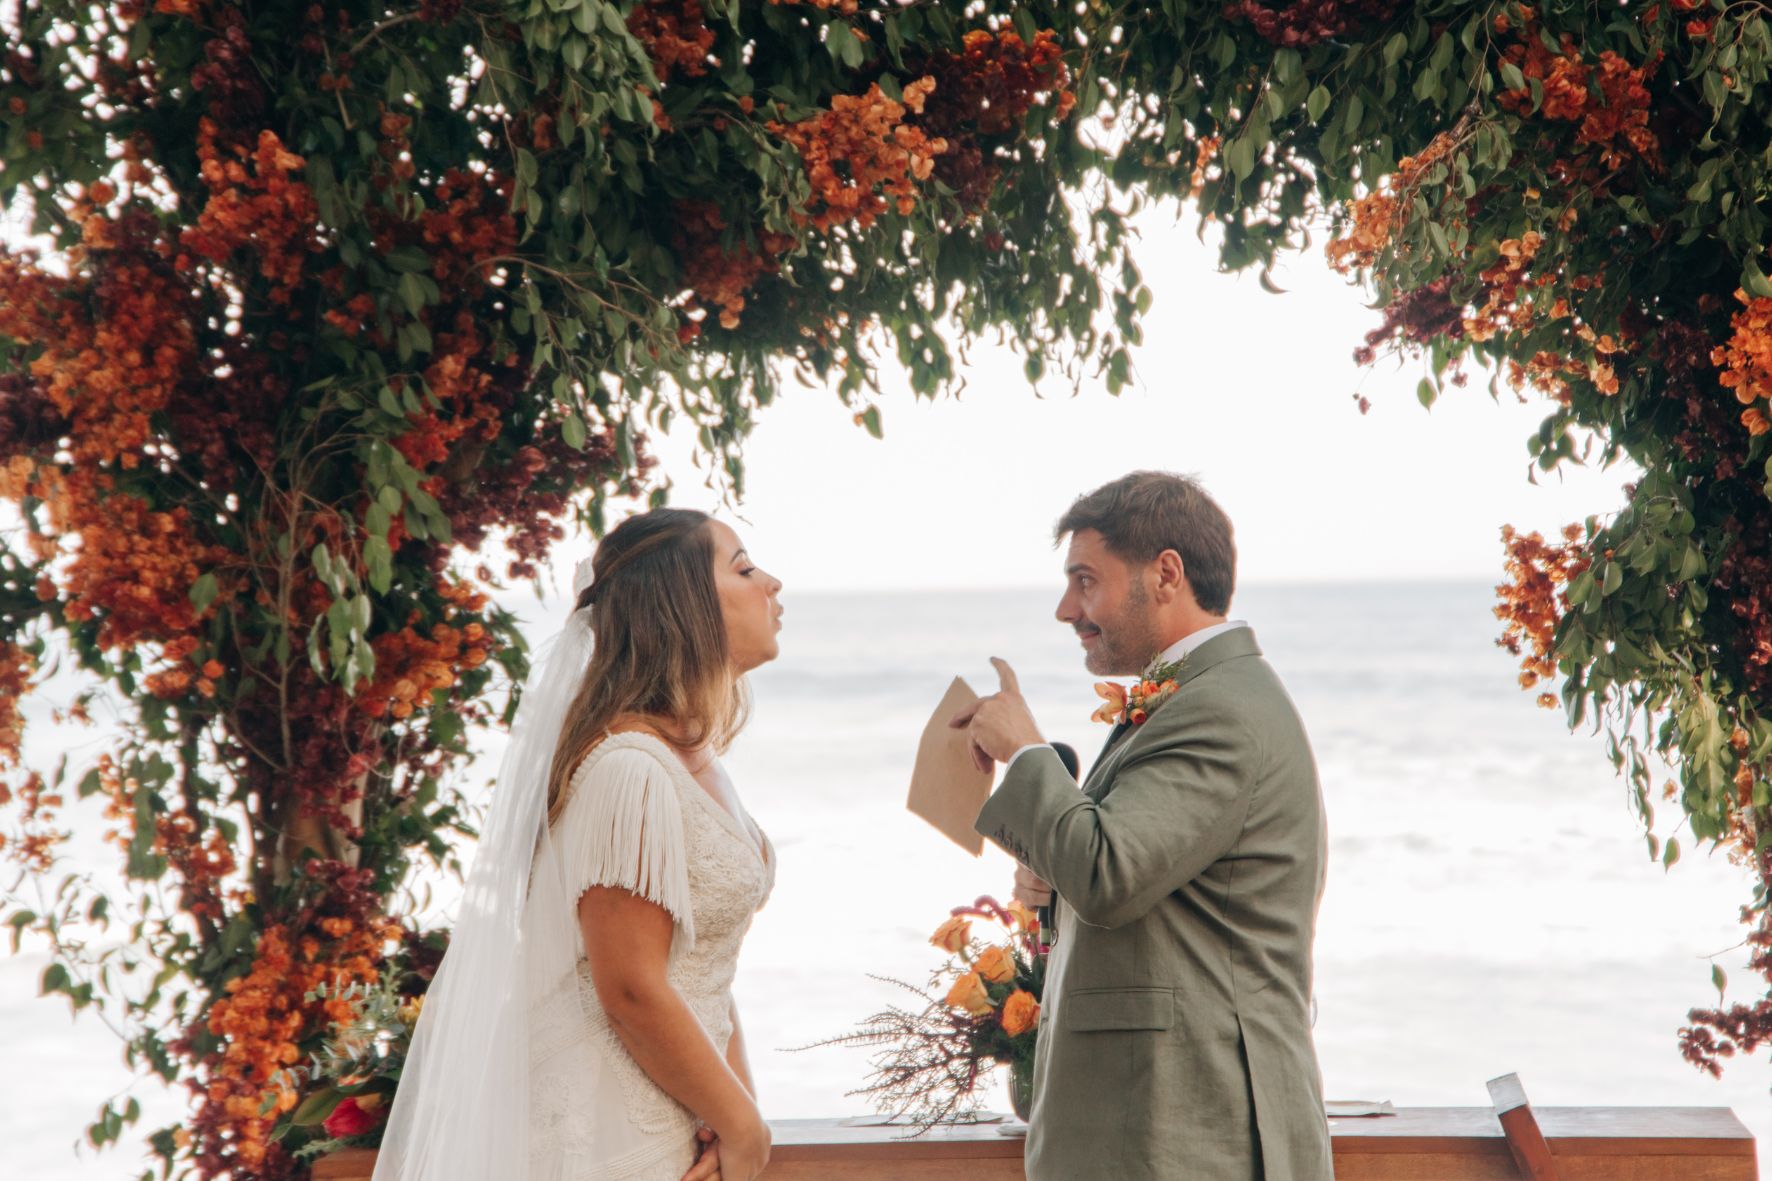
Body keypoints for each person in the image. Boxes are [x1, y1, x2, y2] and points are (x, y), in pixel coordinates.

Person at [374, 508, 784, 1181]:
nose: (771, 582)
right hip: (607, 1138)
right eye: (742, 567)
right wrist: (742, 1126)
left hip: (678, 1120)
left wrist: (738, 1113)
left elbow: (705, 963)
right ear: (681, 604)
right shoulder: (630, 770)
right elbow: (630, 986)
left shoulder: (694, 759)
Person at [953, 471, 1332, 1181]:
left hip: (1193, 1136)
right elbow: (1150, 884)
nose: (1068, 608)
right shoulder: (1194, 696)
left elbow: (1110, 875)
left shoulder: (1220, 708)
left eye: (1086, 579)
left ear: (1165, 574)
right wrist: (1050, 875)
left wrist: (1029, 753)